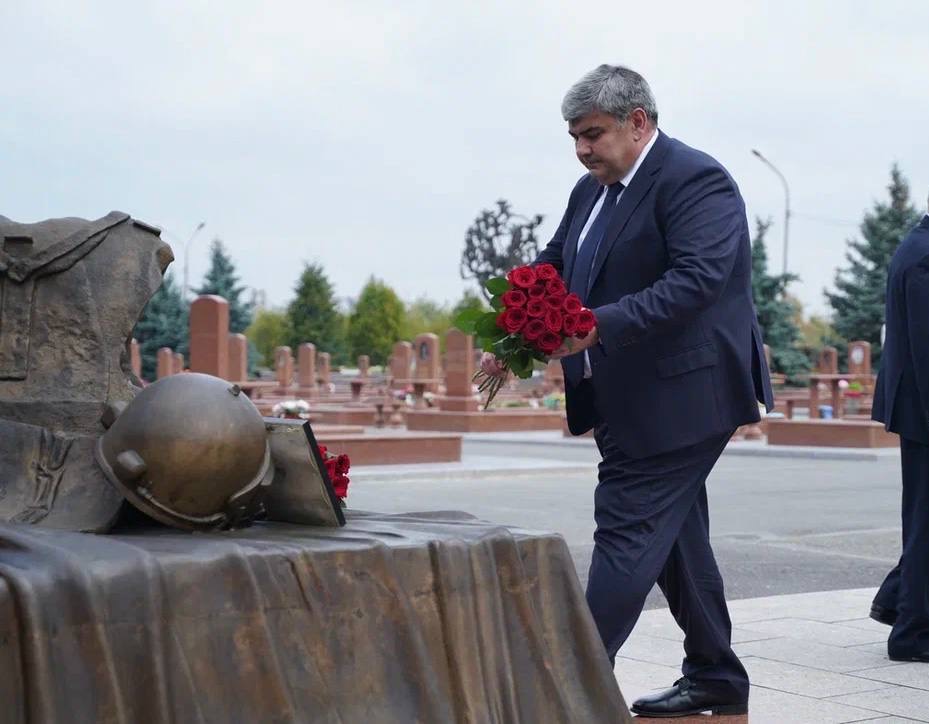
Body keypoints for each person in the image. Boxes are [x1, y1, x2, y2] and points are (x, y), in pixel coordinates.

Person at [482, 64, 773, 717]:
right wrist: (509, 336)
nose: (583, 149)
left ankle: (568, 687)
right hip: (623, 394)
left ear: (637, 122)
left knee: (625, 526)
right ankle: (715, 676)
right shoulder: (591, 192)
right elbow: (551, 270)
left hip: (684, 394)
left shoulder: (694, 180)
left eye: (593, 134)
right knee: (672, 535)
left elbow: (696, 281)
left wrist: (591, 327)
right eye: (574, 137)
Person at [869, 196, 929, 662]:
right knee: (925, 523)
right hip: (924, 411)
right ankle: (912, 634)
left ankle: (895, 601)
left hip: (919, 410)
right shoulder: (924, 255)